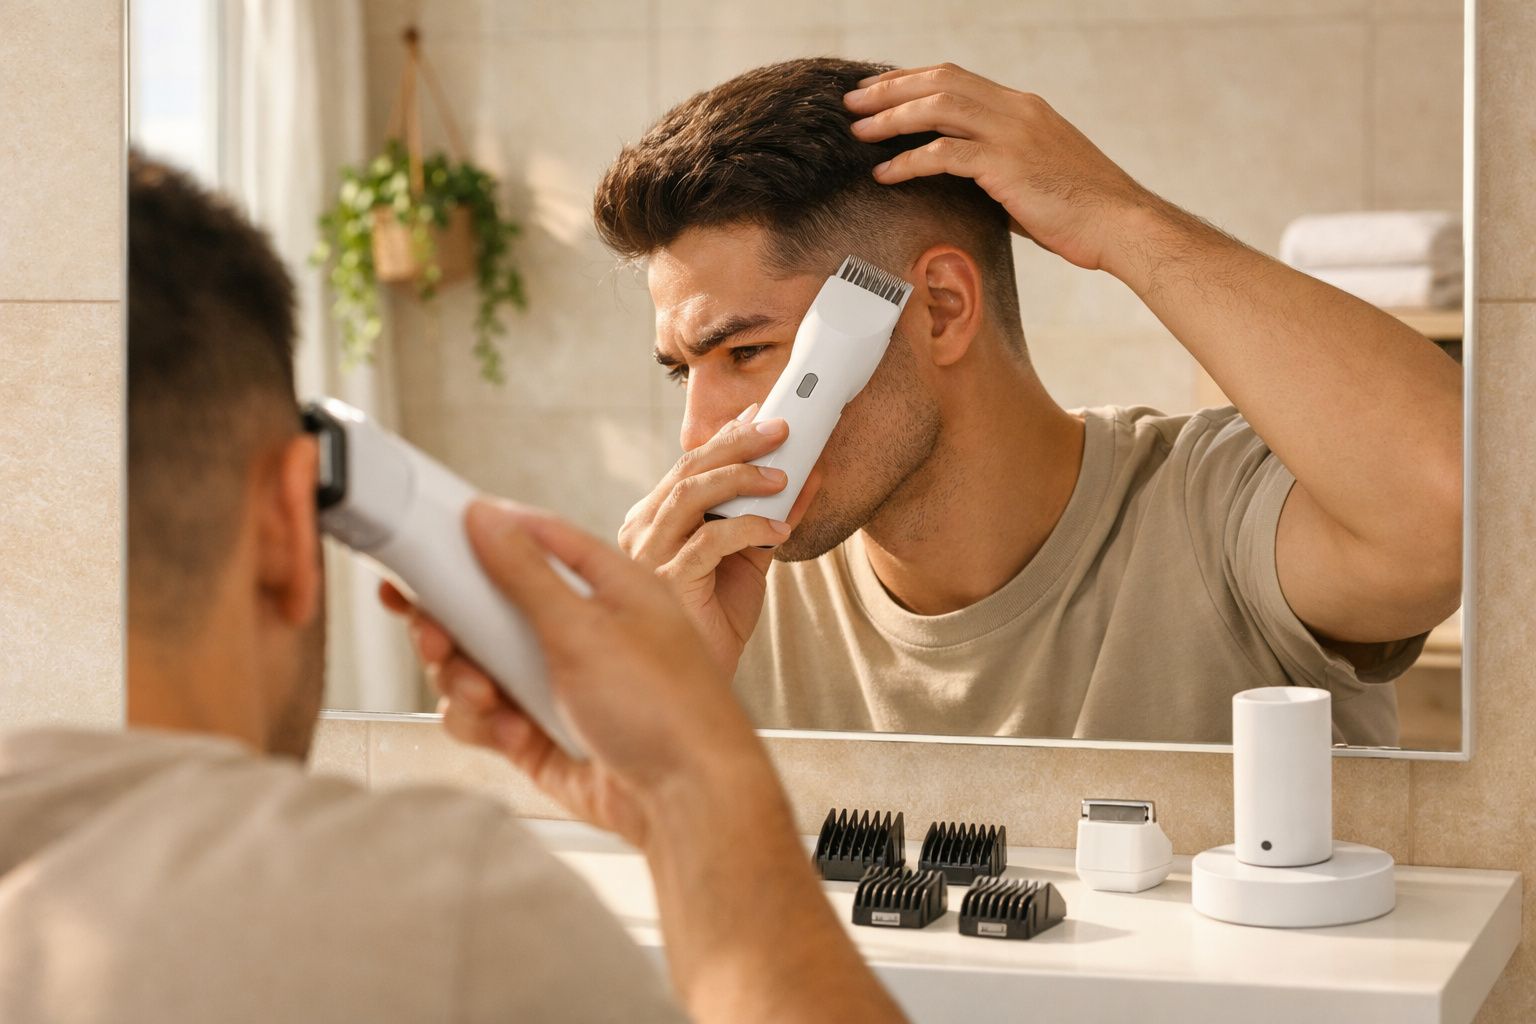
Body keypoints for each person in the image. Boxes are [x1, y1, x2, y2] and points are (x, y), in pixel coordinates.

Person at [0, 155, 905, 1024]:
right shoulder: (437, 923)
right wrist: (692, 784)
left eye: (744, 351)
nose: (695, 428)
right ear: (287, 520)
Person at [595, 57, 1463, 746]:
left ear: (939, 308)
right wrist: (659, 708)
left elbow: (1458, 508)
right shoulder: (721, 597)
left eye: (746, 351)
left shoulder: (1213, 513)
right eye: (684, 371)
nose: (697, 430)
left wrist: (1116, 214)